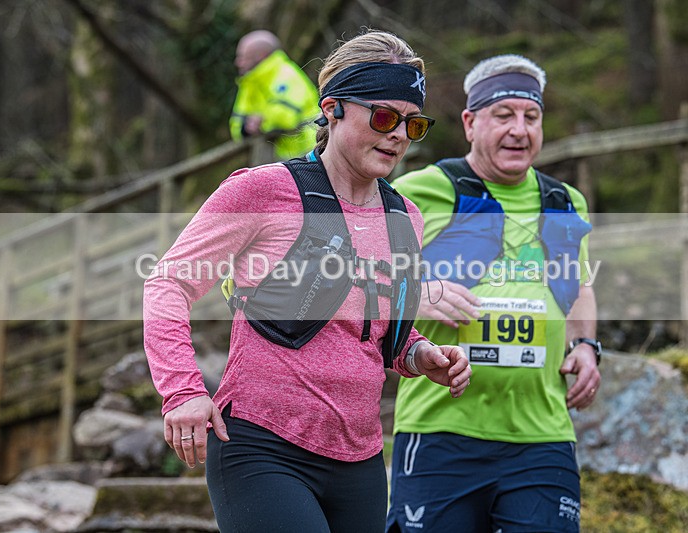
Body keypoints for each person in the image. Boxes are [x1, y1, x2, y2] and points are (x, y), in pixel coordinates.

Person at [143, 30, 472, 533]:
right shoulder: (263, 190)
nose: (399, 135)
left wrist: (421, 355)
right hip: (260, 447)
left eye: (414, 123)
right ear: (333, 108)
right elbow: (167, 283)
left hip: (359, 459)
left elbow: (381, 332)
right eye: (383, 117)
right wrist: (182, 390)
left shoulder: (404, 217)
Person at [386, 54, 601, 533]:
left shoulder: (564, 201)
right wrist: (416, 295)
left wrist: (586, 346)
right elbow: (365, 280)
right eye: (504, 116)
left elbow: (579, 285)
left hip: (541, 435)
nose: (519, 131)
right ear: (470, 122)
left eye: (531, 117)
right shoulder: (420, 191)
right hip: (440, 430)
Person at [229, 30, 320, 160]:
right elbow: (236, 123)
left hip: (310, 152)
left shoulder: (287, 74)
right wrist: (246, 128)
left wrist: (260, 121)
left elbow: (287, 117)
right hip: (282, 157)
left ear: (261, 55)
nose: (238, 62)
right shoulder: (249, 82)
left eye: (243, 57)